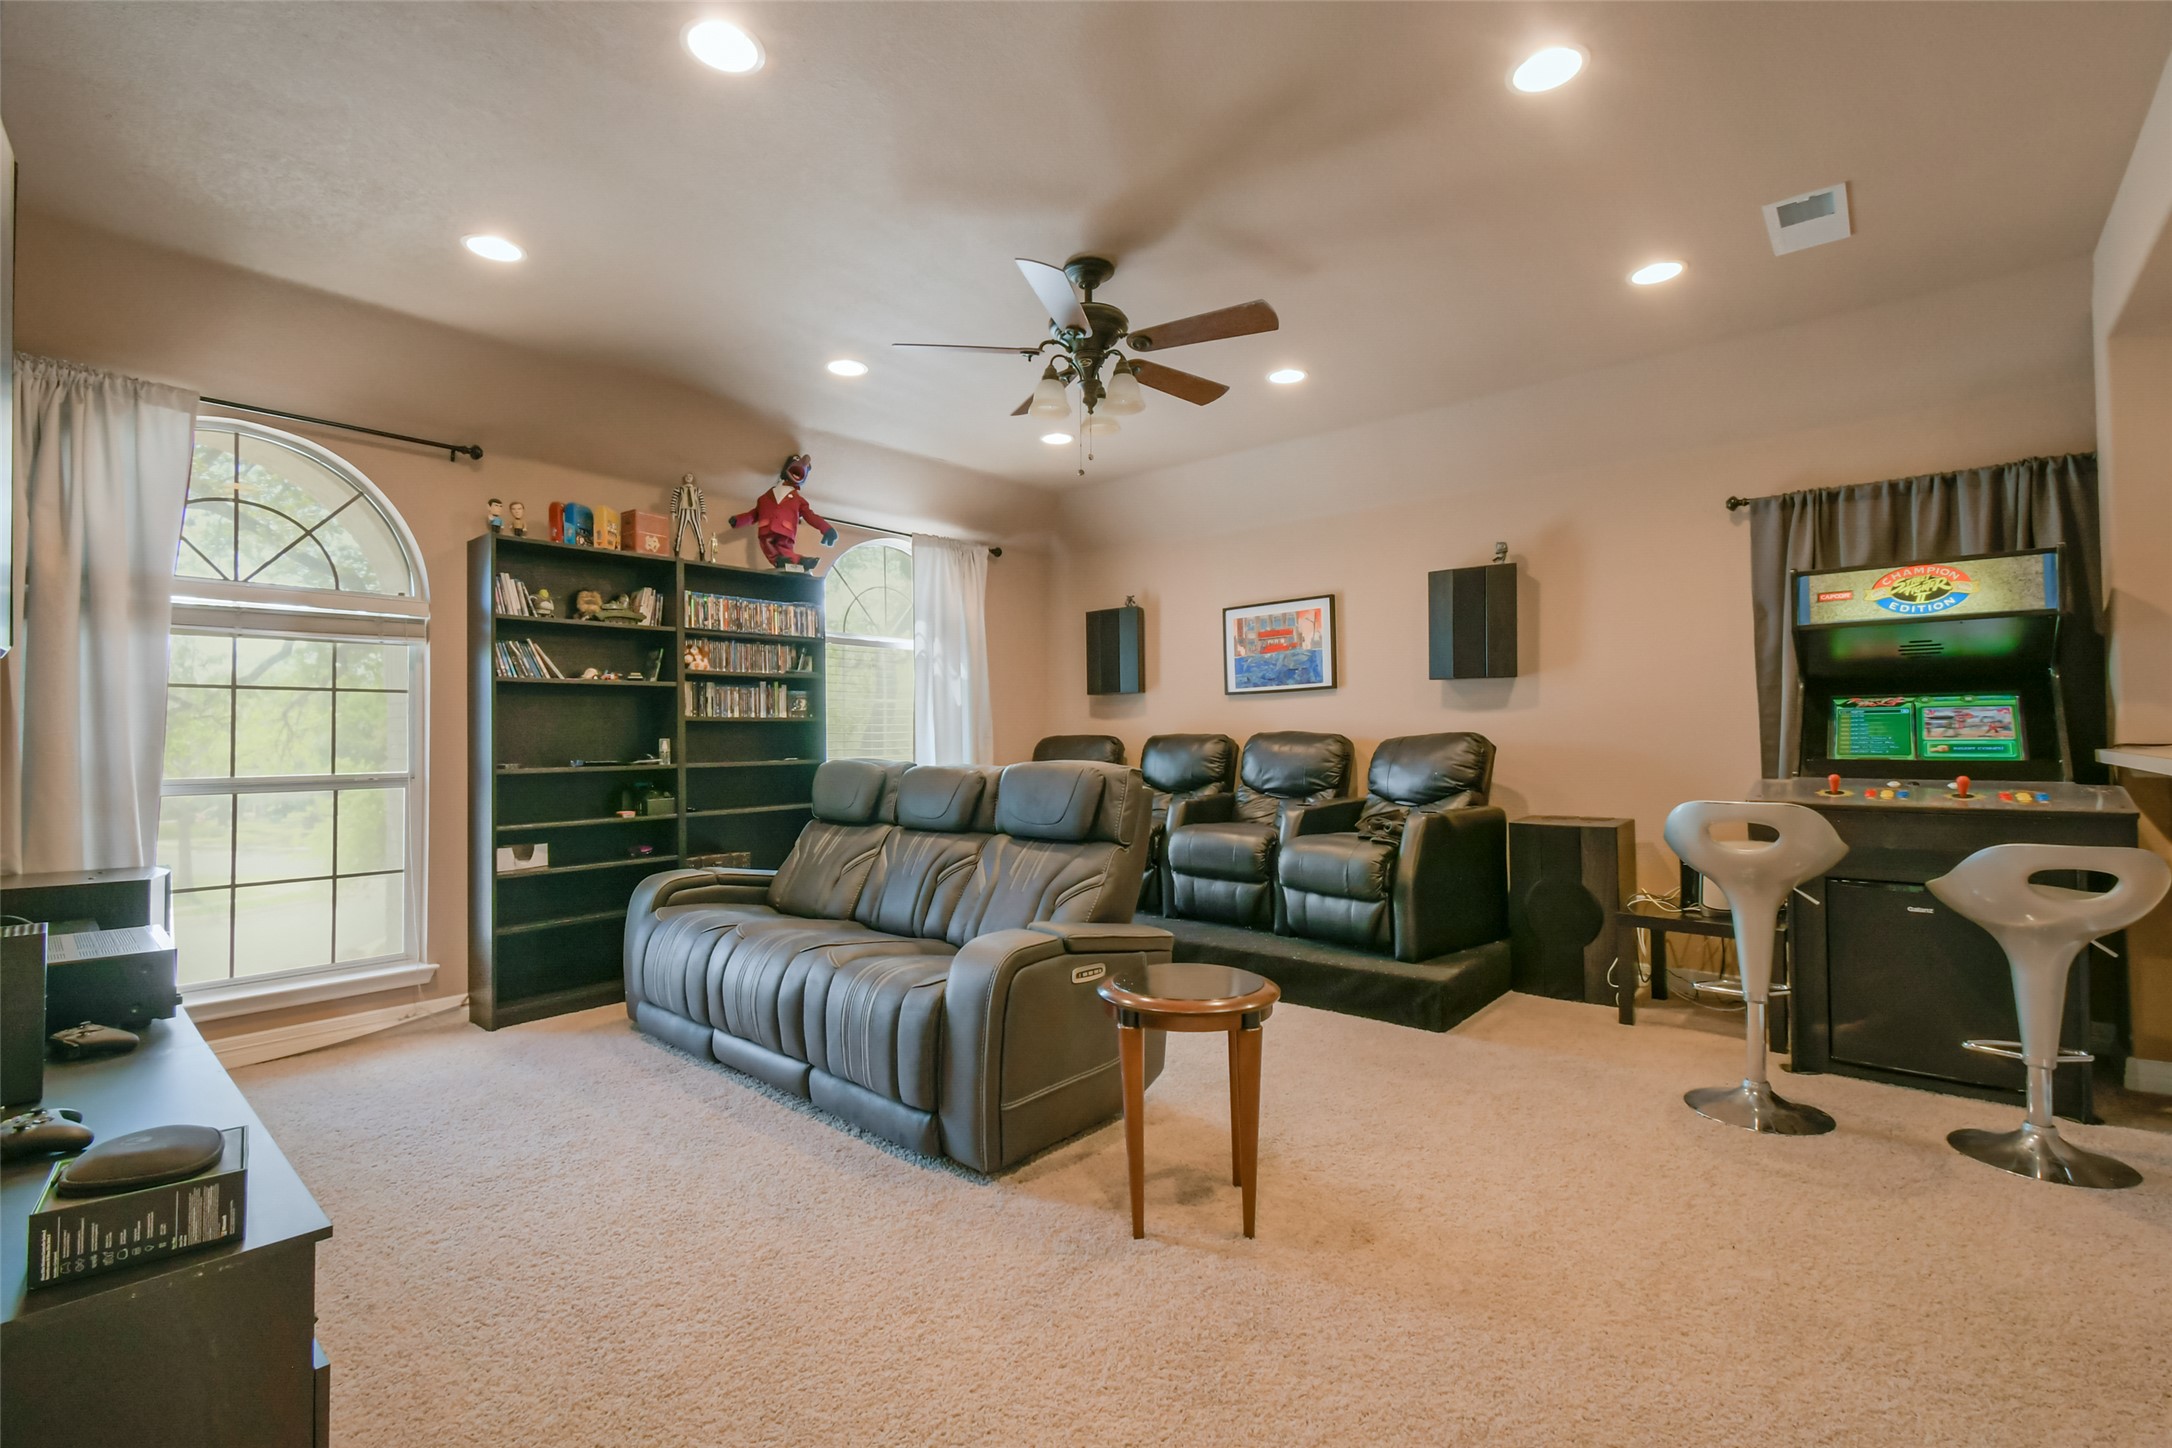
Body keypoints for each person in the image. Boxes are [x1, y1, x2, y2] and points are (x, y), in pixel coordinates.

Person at [728, 454, 837, 571]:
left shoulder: (798, 500)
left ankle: (782, 561)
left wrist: (827, 529)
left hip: (785, 530)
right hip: (767, 528)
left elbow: (810, 516)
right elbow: (753, 514)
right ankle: (800, 561)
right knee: (770, 546)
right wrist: (738, 520)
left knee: (780, 551)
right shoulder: (764, 498)